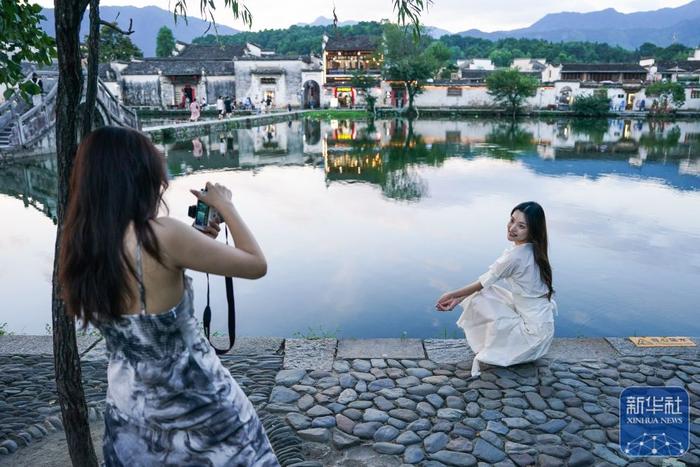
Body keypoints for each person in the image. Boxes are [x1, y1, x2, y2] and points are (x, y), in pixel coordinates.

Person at [58, 127, 278, 466]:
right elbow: (256, 264)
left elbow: (147, 293)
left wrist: (194, 242)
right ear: (140, 174)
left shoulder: (83, 245)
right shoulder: (162, 235)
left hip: (131, 418)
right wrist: (225, 206)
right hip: (200, 412)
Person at [436, 201, 557, 377]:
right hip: (543, 334)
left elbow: (483, 283)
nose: (512, 228)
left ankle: (491, 346)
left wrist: (452, 294)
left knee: (481, 295)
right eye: (512, 220)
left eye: (521, 226)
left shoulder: (516, 257)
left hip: (532, 339)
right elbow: (486, 282)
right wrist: (459, 299)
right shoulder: (533, 249)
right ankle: (496, 341)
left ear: (533, 230)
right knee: (487, 292)